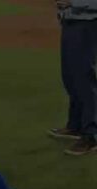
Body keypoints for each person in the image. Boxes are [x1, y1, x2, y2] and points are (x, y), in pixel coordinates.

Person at [49, 0, 97, 155]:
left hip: (88, 22)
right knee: (70, 76)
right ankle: (76, 125)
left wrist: (72, 3)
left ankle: (92, 135)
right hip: (71, 20)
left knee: (83, 77)